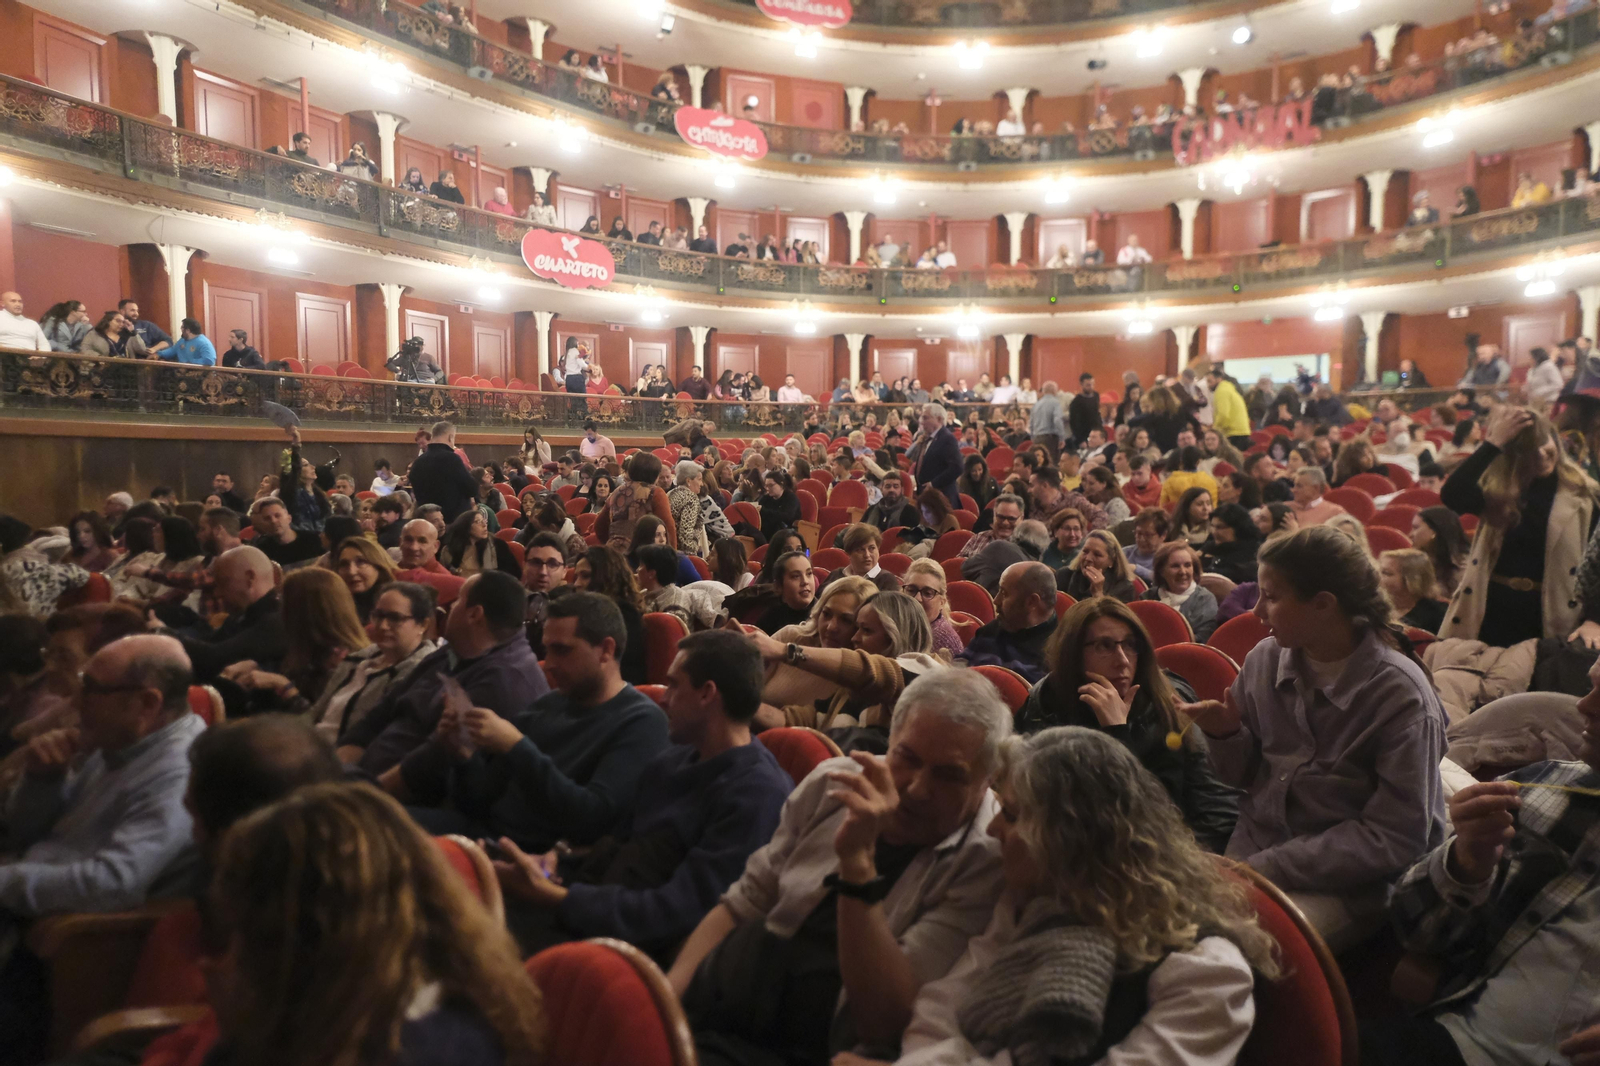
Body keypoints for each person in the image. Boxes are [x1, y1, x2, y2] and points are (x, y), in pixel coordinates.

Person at [667, 667, 1010, 1065]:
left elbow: (885, 1022)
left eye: (949, 775)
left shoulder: (986, 859)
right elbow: (745, 900)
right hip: (737, 993)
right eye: (907, 758)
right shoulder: (835, 781)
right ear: (890, 741)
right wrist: (667, 1001)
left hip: (818, 1046)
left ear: (988, 781)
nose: (917, 789)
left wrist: (858, 865)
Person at [884, 725, 1274, 1066]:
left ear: (1073, 837)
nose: (992, 830)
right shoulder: (1035, 906)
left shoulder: (1206, 971)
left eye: (1014, 815)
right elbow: (941, 1011)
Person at [1188, 525, 1448, 952]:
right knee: (1163, 921)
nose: (1255, 612)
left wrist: (1263, 868)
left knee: (1225, 947)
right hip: (1258, 851)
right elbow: (1245, 778)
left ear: (1323, 605)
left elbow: (1396, 838)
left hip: (1352, 882)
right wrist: (1226, 735)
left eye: (1271, 597)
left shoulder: (1400, 695)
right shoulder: (1264, 659)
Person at [490, 628, 791, 959]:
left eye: (674, 685)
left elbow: (675, 915)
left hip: (637, 955)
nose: (663, 698)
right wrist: (555, 861)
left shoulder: (757, 797)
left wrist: (550, 896)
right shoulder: (673, 758)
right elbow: (618, 844)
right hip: (597, 909)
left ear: (707, 694)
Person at [200, 782, 546, 1066]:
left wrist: (239, 1026)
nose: (217, 960)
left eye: (241, 931)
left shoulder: (426, 1049)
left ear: (295, 939)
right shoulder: (352, 1006)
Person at [1367, 666, 1600, 1066]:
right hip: (1460, 1047)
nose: (1584, 706)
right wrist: (1465, 865)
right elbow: (1415, 935)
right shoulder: (1543, 790)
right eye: (1593, 686)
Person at [407, 591, 669, 852]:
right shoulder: (547, 705)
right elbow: (477, 803)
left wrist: (517, 748)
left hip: (530, 859)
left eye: (562, 651)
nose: (549, 664)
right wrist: (463, 755)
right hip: (481, 835)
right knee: (373, 821)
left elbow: (592, 819)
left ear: (606, 650)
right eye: (547, 650)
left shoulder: (642, 721)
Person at [0, 634, 206, 917]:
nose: (75, 701)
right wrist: (42, 780)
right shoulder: (119, 740)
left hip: (63, 942)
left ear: (147, 704)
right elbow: (23, 833)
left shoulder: (181, 772)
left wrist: (6, 881)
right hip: (26, 890)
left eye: (91, 689)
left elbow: (113, 884)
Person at [1015, 596, 1237, 852]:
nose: (1122, 660)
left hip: (1161, 853)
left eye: (1130, 645)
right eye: (1104, 646)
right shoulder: (1046, 700)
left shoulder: (1168, 705)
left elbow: (1199, 814)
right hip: (1068, 849)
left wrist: (1117, 735)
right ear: (1073, 654)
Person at [338, 571, 549, 787]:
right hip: (359, 776)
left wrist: (355, 796)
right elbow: (381, 713)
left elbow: (429, 770)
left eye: (458, 599)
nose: (449, 607)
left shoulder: (505, 682)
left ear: (474, 614)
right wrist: (336, 767)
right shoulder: (453, 651)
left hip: (397, 802)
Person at [1441, 406, 1599, 647]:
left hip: (1554, 614)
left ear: (1555, 439)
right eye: (1526, 450)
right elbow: (1452, 494)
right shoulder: (1496, 492)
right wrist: (1492, 442)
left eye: (1543, 442)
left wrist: (1595, 619)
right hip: (1490, 613)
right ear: (1508, 455)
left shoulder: (1587, 495)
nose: (1540, 454)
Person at [962, 562, 1058, 683]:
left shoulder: (1057, 655)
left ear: (1031, 602)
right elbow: (960, 666)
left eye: (1004, 593)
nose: (996, 601)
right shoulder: (991, 630)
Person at [1141, 540, 1220, 642]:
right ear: (1161, 571)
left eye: (1187, 565)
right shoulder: (1147, 597)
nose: (1183, 572)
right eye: (1175, 566)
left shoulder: (1205, 599)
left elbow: (1204, 641)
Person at [597, 452, 676, 551]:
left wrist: (611, 542)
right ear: (655, 474)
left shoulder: (617, 491)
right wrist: (672, 555)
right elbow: (669, 527)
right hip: (643, 554)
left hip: (615, 554)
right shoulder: (655, 492)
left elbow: (599, 525)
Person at [408, 420, 479, 523]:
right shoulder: (452, 459)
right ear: (450, 437)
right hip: (454, 524)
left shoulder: (417, 462)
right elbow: (472, 489)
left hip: (428, 523)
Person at [903, 557, 964, 657]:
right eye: (911, 590)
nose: (917, 599)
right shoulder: (897, 626)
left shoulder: (943, 640)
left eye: (927, 593)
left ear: (941, 602)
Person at [1058, 529, 1138, 604]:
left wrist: (1098, 593)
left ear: (1112, 561)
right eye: (1085, 551)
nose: (1088, 558)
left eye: (1097, 555)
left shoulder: (1124, 587)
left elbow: (1111, 617)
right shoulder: (1064, 575)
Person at [1381, 548, 1447, 634]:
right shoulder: (1373, 608)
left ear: (1411, 580)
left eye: (1387, 573)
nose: (1377, 577)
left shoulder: (1439, 615)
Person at [911, 403, 964, 508]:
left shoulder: (947, 438)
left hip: (942, 498)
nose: (921, 421)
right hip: (927, 497)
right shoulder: (927, 438)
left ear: (939, 419)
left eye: (925, 418)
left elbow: (957, 467)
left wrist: (933, 484)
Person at [823, 524, 903, 593]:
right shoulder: (836, 575)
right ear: (849, 554)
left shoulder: (886, 581)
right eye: (860, 550)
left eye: (871, 548)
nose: (867, 555)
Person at [1412, 505, 1468, 598]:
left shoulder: (1463, 566)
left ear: (1434, 532)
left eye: (1416, 528)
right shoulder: (1417, 560)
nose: (1410, 534)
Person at [1201, 502, 1262, 585]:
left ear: (1238, 529)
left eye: (1220, 527)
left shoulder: (1251, 554)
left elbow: (1234, 574)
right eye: (1212, 526)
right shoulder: (1211, 548)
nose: (1214, 532)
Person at [1027, 381, 1067, 460]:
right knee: (1051, 463)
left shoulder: (1036, 405)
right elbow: (1057, 420)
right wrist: (1062, 437)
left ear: (1044, 391)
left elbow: (1030, 424)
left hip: (1037, 438)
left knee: (1039, 462)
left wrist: (1033, 438)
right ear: (1054, 391)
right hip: (1050, 439)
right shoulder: (1055, 403)